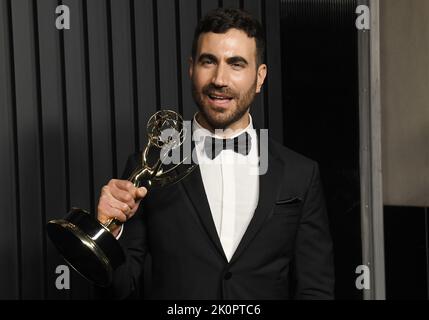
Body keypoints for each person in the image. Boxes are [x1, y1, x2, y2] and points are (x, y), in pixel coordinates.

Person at [97, 8, 334, 299]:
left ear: (260, 77)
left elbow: (316, 290)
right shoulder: (148, 166)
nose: (220, 79)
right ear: (191, 68)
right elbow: (121, 288)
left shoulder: (301, 173)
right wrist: (109, 233)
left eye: (236, 64)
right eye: (209, 61)